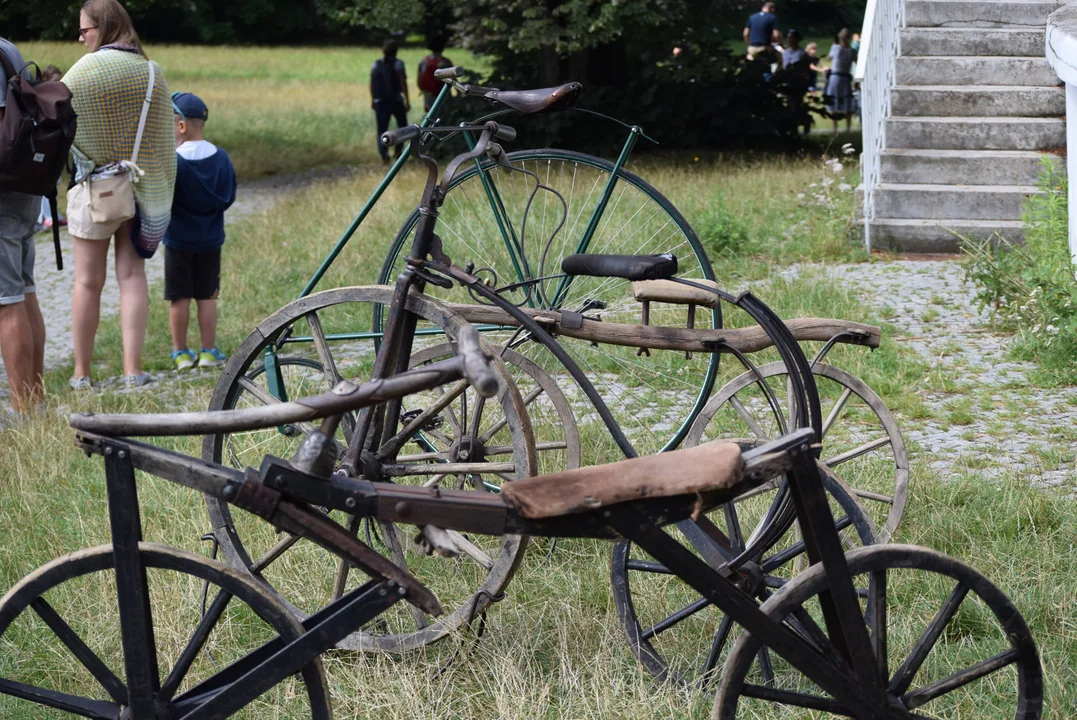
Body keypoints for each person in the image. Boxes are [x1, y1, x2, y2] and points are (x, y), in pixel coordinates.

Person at [62, 0, 176, 390]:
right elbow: (162, 140)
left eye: (84, 30)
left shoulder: (85, 70)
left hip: (94, 190)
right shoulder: (151, 71)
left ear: (103, 27)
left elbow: (59, 120)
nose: (81, 38)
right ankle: (133, 370)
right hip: (141, 190)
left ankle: (82, 373)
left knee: (86, 283)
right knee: (132, 276)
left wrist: (85, 160)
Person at [165, 92, 236, 371]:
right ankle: (208, 351)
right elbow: (229, 196)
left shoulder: (174, 161)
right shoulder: (221, 157)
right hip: (210, 239)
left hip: (178, 240)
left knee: (179, 297)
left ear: (181, 126)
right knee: (207, 295)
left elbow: (164, 197)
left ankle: (181, 352)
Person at [0, 38, 46, 413]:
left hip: (3, 191)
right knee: (25, 292)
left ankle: (22, 411)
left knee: (6, 302)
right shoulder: (6, 47)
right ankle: (35, 400)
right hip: (25, 183)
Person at [36, 65, 68, 233]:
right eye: (55, 81)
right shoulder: (42, 99)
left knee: (55, 181)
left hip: (57, 145)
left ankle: (54, 215)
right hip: (45, 145)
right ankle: (45, 217)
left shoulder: (60, 99)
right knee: (44, 181)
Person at [371, 39, 409, 164]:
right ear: (396, 51)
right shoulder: (399, 64)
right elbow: (403, 82)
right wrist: (407, 100)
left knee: (381, 130)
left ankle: (384, 155)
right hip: (396, 100)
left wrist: (372, 99)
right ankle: (398, 152)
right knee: (402, 127)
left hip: (380, 101)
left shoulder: (376, 64)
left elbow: (371, 83)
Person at [825, 28, 859, 132]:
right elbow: (857, 63)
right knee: (845, 101)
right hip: (844, 77)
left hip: (836, 77)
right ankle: (846, 127)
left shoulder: (836, 48)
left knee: (835, 100)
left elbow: (828, 58)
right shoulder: (851, 51)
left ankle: (835, 128)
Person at [417, 37, 452, 113]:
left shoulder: (423, 62)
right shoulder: (446, 62)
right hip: (444, 95)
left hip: (429, 95)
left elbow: (419, 81)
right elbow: (453, 79)